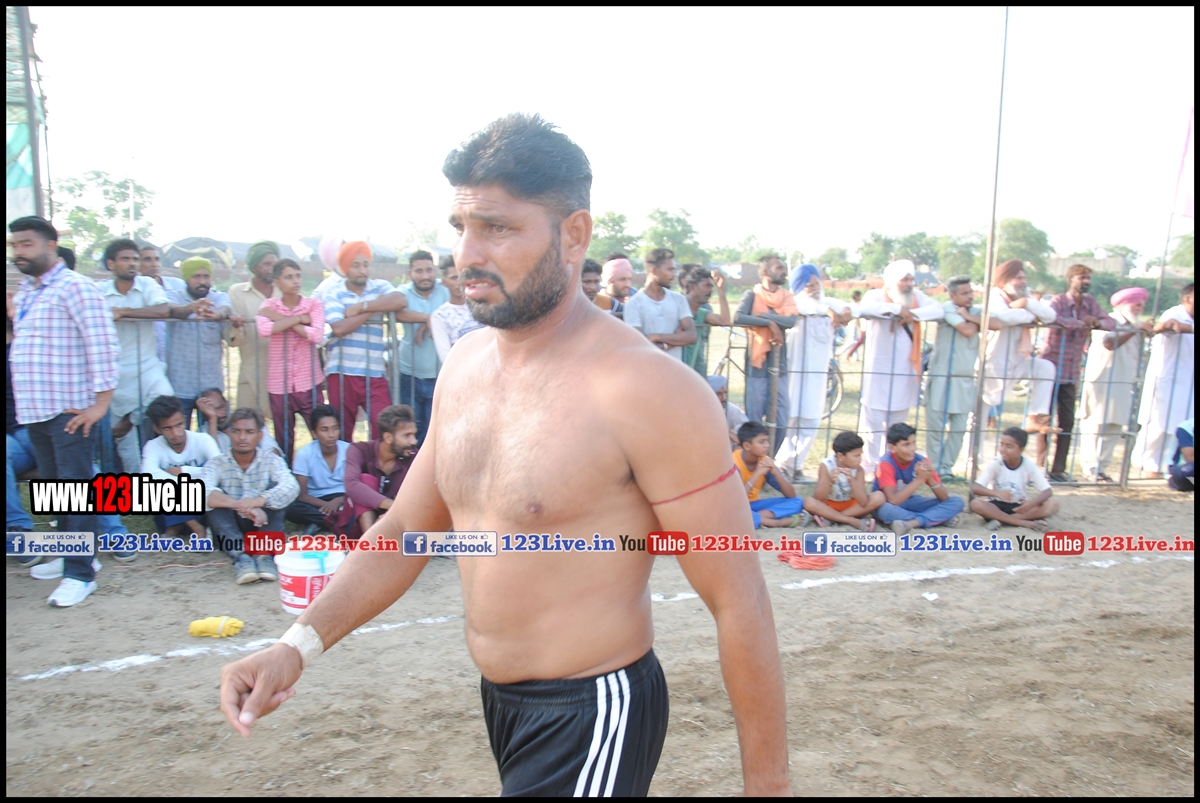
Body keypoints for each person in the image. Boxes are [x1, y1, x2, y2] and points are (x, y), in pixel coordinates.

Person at [218, 113, 791, 797]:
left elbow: (737, 596)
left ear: (573, 234)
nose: (467, 254)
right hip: (505, 706)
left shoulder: (646, 389)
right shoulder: (465, 365)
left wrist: (769, 785)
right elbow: (405, 531)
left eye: (496, 227)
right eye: (461, 226)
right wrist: (295, 646)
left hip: (595, 712)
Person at [9, 216, 119, 606]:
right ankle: (72, 554)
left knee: (74, 492)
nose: (18, 252)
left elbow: (103, 344)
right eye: (14, 245)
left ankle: (80, 575)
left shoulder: (76, 287)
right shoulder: (28, 291)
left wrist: (100, 405)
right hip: (35, 412)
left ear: (50, 245)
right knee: (56, 492)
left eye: (26, 244)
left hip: (68, 411)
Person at [96, 238, 174, 476]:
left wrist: (123, 312)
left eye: (135, 259)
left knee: (166, 401)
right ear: (111, 264)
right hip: (114, 372)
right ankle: (135, 487)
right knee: (124, 442)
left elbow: (163, 310)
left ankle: (168, 477)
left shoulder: (147, 284)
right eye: (125, 259)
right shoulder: (99, 291)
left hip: (148, 366)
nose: (132, 263)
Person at [857, 260, 944, 473]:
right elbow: (865, 309)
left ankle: (891, 467)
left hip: (905, 371)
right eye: (904, 280)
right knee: (872, 424)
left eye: (911, 279)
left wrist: (912, 314)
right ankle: (869, 468)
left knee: (898, 424)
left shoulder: (916, 298)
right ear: (891, 281)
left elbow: (938, 310)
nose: (909, 284)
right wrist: (897, 310)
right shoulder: (876, 296)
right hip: (878, 371)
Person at [322, 241, 412, 440]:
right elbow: (339, 328)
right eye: (355, 265)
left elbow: (400, 300)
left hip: (374, 372)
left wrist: (361, 307)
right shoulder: (333, 293)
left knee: (384, 428)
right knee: (342, 431)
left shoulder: (380, 286)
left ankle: (375, 462)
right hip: (342, 372)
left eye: (365, 265)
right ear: (346, 267)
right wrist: (374, 309)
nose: (362, 270)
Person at [199, 407, 299, 584]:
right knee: (215, 498)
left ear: (260, 436)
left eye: (249, 432)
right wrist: (241, 505)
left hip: (263, 525)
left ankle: (264, 555)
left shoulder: (271, 460)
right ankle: (241, 558)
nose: (242, 437)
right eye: (236, 431)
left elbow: (291, 486)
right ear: (229, 433)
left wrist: (258, 501)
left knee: (276, 492)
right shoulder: (217, 463)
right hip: (229, 528)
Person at [776, 263, 854, 477]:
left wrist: (847, 311)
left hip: (818, 374)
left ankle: (794, 465)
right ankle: (780, 462)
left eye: (817, 283)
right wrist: (827, 311)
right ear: (799, 287)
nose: (815, 288)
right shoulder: (796, 303)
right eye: (809, 285)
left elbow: (851, 308)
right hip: (794, 370)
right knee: (789, 416)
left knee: (811, 418)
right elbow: (805, 307)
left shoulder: (828, 302)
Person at [1038, 265, 1116, 481]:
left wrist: (1097, 322)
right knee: (1044, 420)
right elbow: (1052, 318)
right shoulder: (1059, 301)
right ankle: (1039, 467)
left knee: (1067, 422)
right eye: (1082, 278)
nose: (1086, 282)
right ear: (1070, 279)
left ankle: (1058, 470)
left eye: (1088, 278)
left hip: (1071, 372)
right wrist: (1080, 324)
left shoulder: (1090, 302)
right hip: (1051, 367)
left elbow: (1111, 322)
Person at [1078, 287, 1154, 482]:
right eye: (1135, 304)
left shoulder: (1137, 324)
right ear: (1122, 304)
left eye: (1142, 305)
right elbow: (1110, 343)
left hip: (1124, 380)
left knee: (1114, 425)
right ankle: (1091, 468)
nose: (1139, 308)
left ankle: (1102, 468)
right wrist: (1135, 329)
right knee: (1095, 424)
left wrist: (1141, 328)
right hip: (1102, 378)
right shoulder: (1108, 320)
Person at [981, 259, 1059, 446]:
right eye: (1018, 278)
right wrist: (1030, 315)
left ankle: (1035, 416)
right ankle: (973, 458)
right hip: (991, 364)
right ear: (1004, 281)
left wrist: (1026, 303)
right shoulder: (995, 296)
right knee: (977, 420)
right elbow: (1003, 316)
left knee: (1045, 368)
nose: (1023, 282)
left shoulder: (1025, 298)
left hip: (1018, 360)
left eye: (1024, 278)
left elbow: (1050, 316)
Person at [256, 258, 325, 464]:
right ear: (277, 282)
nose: (295, 281)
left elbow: (317, 335)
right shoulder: (269, 305)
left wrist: (283, 319)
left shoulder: (313, 304)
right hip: (280, 384)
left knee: (320, 431)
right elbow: (264, 329)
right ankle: (287, 475)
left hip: (308, 381)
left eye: (298, 276)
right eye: (289, 277)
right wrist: (299, 319)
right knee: (284, 437)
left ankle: (321, 474)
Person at [925, 275, 988, 478]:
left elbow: (996, 323)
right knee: (935, 424)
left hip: (964, 378)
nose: (970, 296)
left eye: (971, 292)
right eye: (964, 293)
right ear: (952, 296)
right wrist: (977, 323)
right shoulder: (947, 309)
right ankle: (935, 467)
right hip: (941, 375)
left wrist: (971, 317)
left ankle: (947, 468)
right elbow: (967, 330)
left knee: (959, 426)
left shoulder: (975, 311)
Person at [735, 254, 798, 454]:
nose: (783, 271)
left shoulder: (787, 297)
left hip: (780, 366)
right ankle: (752, 462)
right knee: (754, 421)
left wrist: (764, 316)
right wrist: (770, 323)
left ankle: (769, 458)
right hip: (757, 365)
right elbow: (738, 317)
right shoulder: (751, 295)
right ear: (765, 272)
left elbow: (791, 321)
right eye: (778, 268)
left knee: (781, 421)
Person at [1132, 283, 1194, 478]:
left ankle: (1171, 467)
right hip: (1167, 378)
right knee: (1158, 424)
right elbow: (1163, 327)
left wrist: (1188, 328)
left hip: (1189, 380)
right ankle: (1148, 466)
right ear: (1187, 298)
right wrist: (1167, 326)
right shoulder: (1174, 313)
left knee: (1182, 425)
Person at [165, 257, 233, 428]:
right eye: (196, 276)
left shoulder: (219, 297)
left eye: (206, 276)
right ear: (186, 278)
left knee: (214, 432)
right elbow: (172, 310)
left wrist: (219, 315)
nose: (202, 281)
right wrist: (190, 308)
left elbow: (226, 308)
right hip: (180, 383)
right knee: (181, 432)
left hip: (211, 384)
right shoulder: (173, 296)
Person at [140, 394, 219, 540]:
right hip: (169, 510)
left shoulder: (202, 440)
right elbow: (147, 476)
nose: (175, 433)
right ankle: (195, 528)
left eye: (179, 425)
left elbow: (221, 470)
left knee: (211, 471)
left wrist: (184, 471)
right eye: (167, 428)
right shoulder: (153, 447)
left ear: (184, 419)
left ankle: (177, 528)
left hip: (202, 504)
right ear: (157, 429)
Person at [395, 249, 450, 445]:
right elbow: (398, 313)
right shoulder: (403, 292)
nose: (425, 275)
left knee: (435, 432)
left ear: (435, 270)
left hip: (440, 375)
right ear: (410, 274)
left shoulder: (446, 290)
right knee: (411, 431)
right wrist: (428, 318)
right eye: (419, 271)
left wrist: (430, 322)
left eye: (429, 270)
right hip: (410, 375)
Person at [873, 422, 964, 535]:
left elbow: (944, 498)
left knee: (957, 501)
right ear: (892, 448)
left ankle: (912, 523)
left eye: (914, 443)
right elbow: (893, 500)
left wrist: (929, 478)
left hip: (911, 502)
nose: (912, 448)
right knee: (885, 510)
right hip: (890, 505)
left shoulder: (921, 461)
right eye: (906, 445)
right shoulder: (886, 463)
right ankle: (939, 519)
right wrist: (920, 479)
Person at [343, 404, 418, 537]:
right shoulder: (359, 450)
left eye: (414, 435)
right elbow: (351, 484)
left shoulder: (414, 457)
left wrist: (392, 513)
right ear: (388, 437)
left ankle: (374, 541)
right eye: (407, 436)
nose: (414, 441)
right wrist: (394, 507)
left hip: (395, 522)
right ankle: (370, 541)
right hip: (357, 521)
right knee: (365, 480)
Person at [969, 427, 1059, 530]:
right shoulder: (996, 463)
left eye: (1009, 446)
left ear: (1021, 450)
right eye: (1002, 445)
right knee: (976, 504)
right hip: (996, 506)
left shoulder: (1028, 465)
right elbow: (975, 488)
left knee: (1053, 505)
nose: (1003, 449)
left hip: (1018, 507)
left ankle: (1002, 521)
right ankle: (1025, 523)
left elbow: (1047, 491)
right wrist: (997, 493)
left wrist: (1031, 503)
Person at [227, 240, 280, 416]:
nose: (271, 269)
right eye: (266, 264)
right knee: (245, 422)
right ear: (254, 267)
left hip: (282, 374)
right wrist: (236, 325)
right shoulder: (237, 292)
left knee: (283, 425)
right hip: (251, 371)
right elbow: (233, 340)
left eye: (274, 264)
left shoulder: (284, 292)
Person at [285, 405, 351, 535]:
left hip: (344, 497)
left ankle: (319, 522)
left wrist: (338, 500)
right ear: (314, 433)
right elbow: (302, 495)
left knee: (360, 503)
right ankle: (335, 521)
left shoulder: (349, 450)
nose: (331, 435)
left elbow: (357, 486)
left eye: (335, 428)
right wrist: (327, 506)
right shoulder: (304, 454)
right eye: (324, 430)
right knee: (290, 508)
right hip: (315, 500)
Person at [624, 247, 696, 360]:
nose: (673, 275)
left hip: (675, 368)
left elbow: (691, 336)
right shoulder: (634, 304)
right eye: (669, 270)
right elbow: (639, 345)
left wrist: (656, 337)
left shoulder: (679, 299)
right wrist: (675, 340)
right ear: (654, 270)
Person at [803, 431, 885, 531]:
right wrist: (830, 482)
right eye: (856, 456)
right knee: (808, 502)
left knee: (879, 496)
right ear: (841, 456)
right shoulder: (826, 466)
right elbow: (818, 497)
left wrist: (852, 481)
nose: (860, 459)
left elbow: (863, 502)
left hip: (851, 506)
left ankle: (832, 518)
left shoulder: (859, 470)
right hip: (830, 505)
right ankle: (851, 520)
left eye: (860, 455)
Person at [733, 421, 805, 529]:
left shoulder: (765, 461)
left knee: (797, 501)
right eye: (761, 442)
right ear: (747, 446)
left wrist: (775, 473)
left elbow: (791, 495)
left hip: (755, 505)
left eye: (767, 441)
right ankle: (776, 523)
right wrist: (758, 473)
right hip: (735, 506)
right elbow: (738, 499)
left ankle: (756, 518)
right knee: (731, 513)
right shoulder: (733, 463)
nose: (767, 445)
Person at [429, 254, 485, 364]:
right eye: (454, 278)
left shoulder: (483, 306)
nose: (459, 283)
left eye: (462, 276)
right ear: (444, 282)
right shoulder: (440, 316)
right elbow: (445, 357)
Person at [194, 387, 283, 456]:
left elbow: (275, 453)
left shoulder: (250, 421)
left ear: (227, 404)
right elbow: (214, 461)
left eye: (220, 407)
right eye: (211, 410)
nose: (219, 414)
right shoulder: (202, 434)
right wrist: (212, 420)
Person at [138, 241, 187, 363]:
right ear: (137, 263)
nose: (154, 264)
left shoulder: (177, 285)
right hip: (146, 356)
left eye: (157, 259)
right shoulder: (133, 290)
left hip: (177, 354)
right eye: (147, 260)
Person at [680, 265, 731, 375]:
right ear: (693, 287)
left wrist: (721, 289)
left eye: (712, 287)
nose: (711, 291)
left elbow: (725, 321)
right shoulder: (676, 306)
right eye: (707, 286)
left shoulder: (701, 313)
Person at [707, 374, 748, 449]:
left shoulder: (731, 410)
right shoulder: (698, 409)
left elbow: (747, 430)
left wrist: (735, 438)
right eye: (718, 394)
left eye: (725, 393)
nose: (723, 398)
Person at [1168, 418, 1194, 492]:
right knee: (1190, 469)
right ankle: (1174, 481)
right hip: (1182, 467)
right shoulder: (1186, 428)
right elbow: (1190, 458)